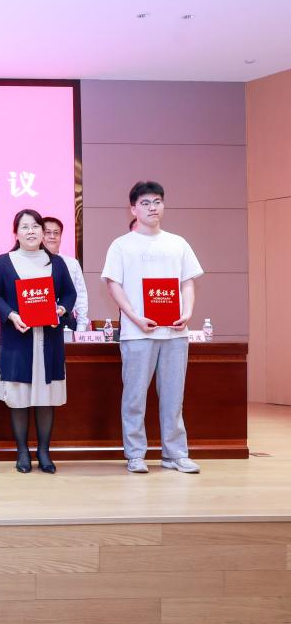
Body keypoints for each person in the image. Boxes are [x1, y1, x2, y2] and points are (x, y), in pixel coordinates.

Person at [102, 181, 204, 474]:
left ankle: (175, 454)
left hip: (175, 333)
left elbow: (187, 282)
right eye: (145, 203)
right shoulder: (121, 245)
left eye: (157, 201)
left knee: (174, 398)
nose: (152, 207)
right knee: (134, 397)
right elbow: (113, 285)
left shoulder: (178, 243)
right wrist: (135, 317)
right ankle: (135, 454)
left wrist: (187, 313)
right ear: (133, 209)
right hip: (138, 334)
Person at [0, 210, 76, 474]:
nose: (31, 231)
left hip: (49, 340)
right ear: (15, 233)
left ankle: (44, 452)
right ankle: (22, 452)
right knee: (20, 397)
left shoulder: (56, 263)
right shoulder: (5, 262)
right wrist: (11, 315)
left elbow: (69, 294)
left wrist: (61, 310)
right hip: (18, 339)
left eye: (35, 226)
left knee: (45, 397)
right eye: (24, 227)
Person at [41, 216, 89, 331]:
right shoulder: (31, 263)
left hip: (65, 320)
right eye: (48, 232)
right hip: (38, 320)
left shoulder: (72, 263)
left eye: (56, 233)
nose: (52, 236)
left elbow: (80, 295)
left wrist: (81, 326)